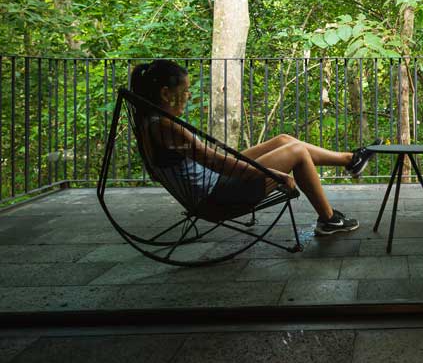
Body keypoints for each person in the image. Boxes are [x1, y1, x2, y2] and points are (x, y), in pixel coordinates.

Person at [130, 59, 376, 236]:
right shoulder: (165, 127)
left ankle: (350, 159)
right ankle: (329, 219)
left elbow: (211, 161)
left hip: (217, 182)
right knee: (297, 152)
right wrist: (274, 175)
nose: (188, 96)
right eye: (184, 91)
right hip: (218, 197)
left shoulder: (150, 122)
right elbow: (216, 162)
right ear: (165, 93)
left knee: (283, 140)